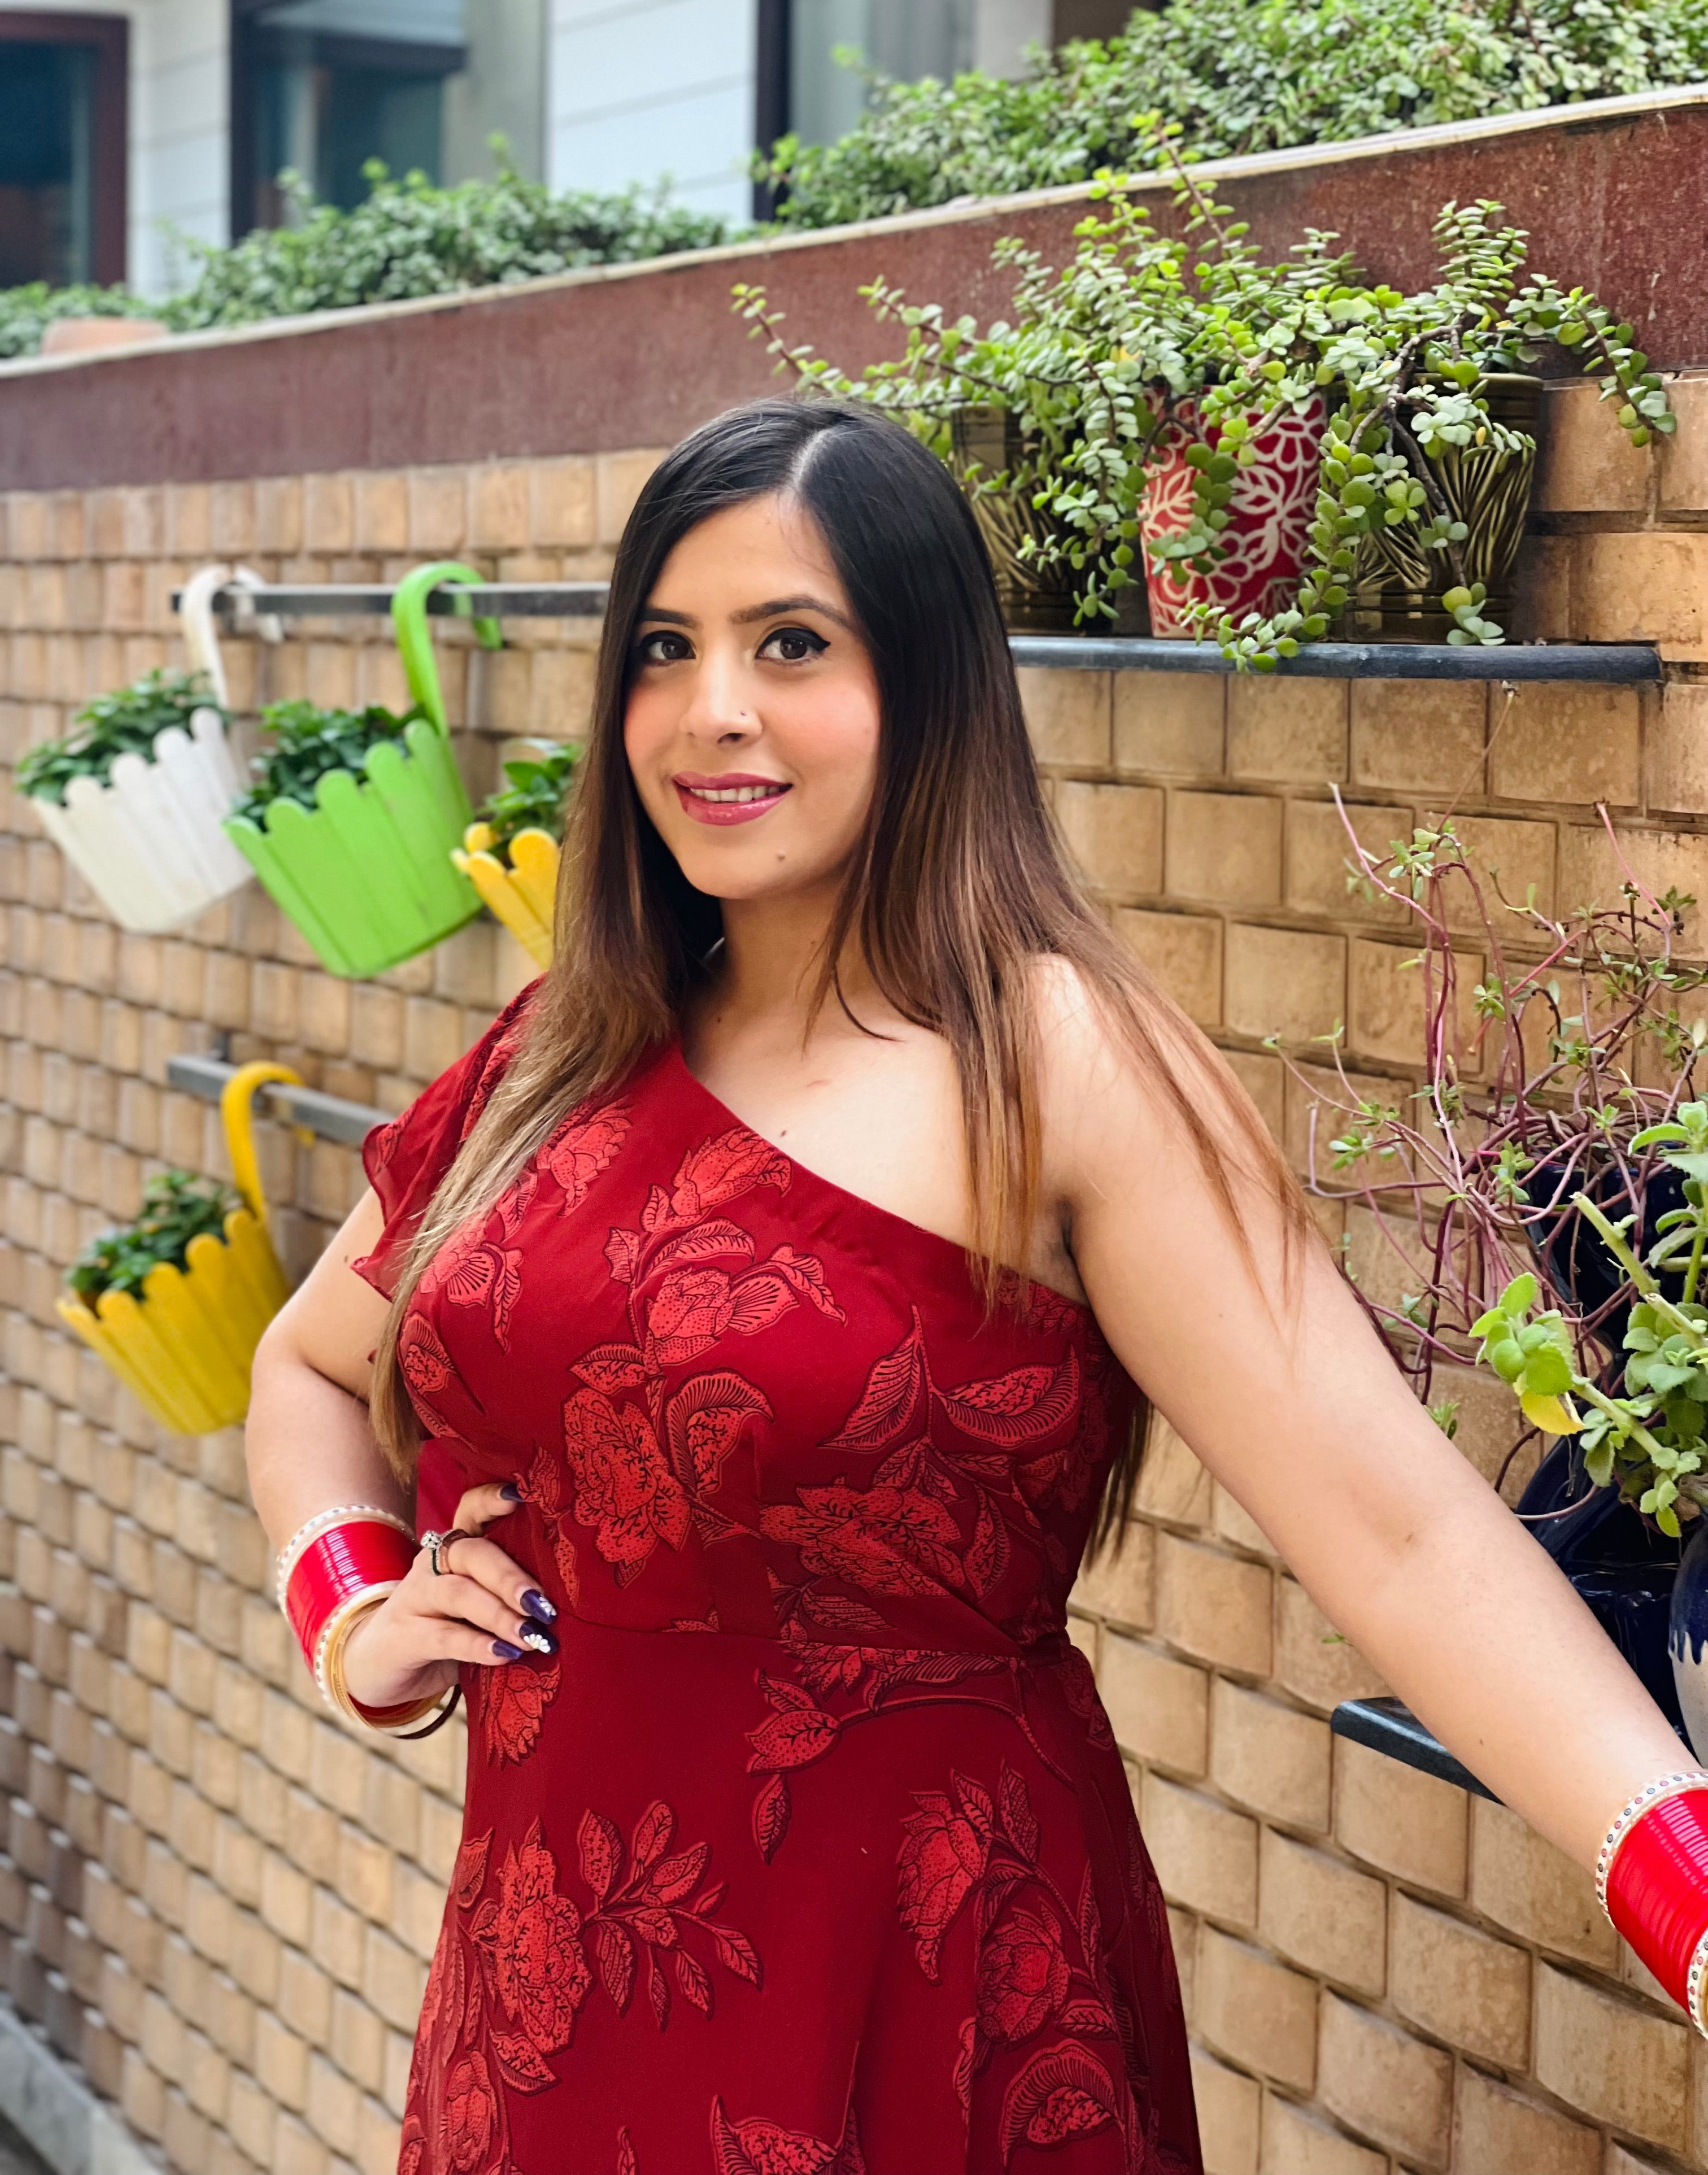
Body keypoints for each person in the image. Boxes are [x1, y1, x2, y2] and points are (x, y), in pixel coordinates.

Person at [246, 396, 1708, 2175]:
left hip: (926, 2015)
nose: (712, 710)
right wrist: (352, 1612)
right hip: (545, 2029)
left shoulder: (1057, 1065)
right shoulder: (562, 1052)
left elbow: (1401, 1535)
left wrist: (1685, 1889)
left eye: (792, 645)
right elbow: (312, 1368)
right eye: (665, 650)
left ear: (929, 687)